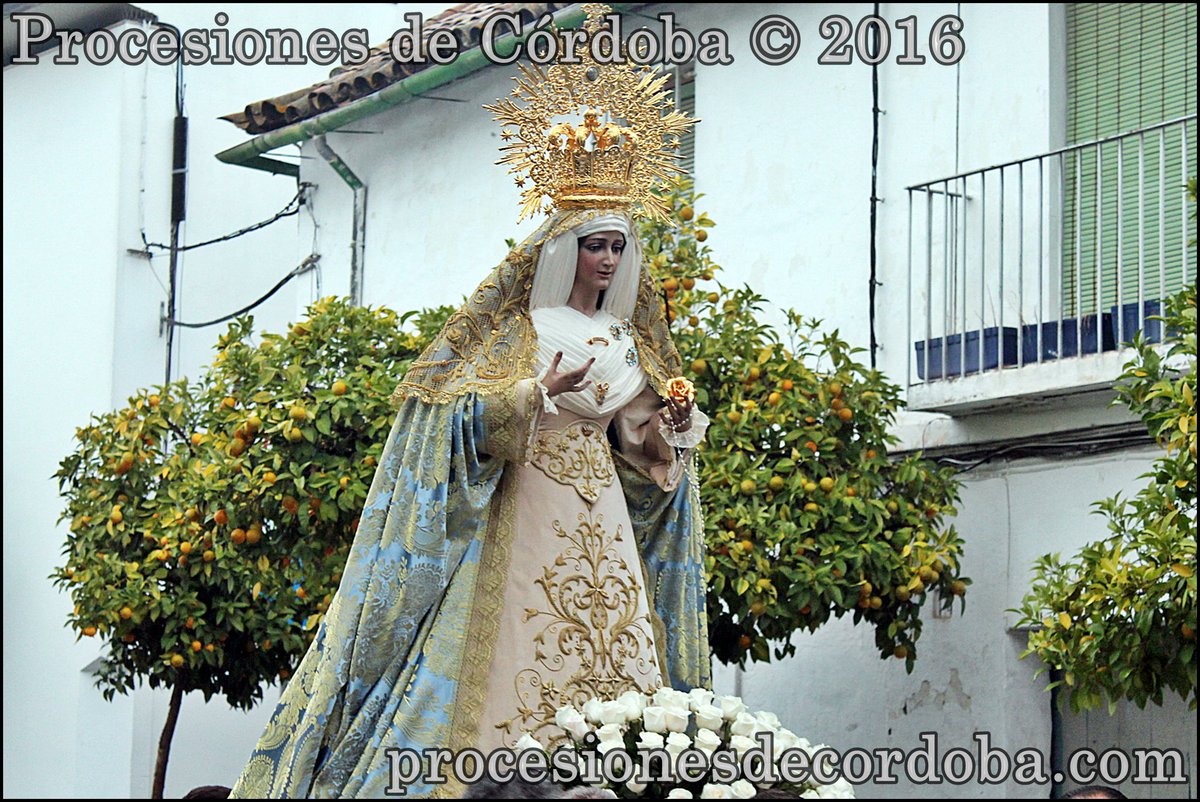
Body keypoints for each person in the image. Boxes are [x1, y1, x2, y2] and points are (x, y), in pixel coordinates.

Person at [229, 10, 708, 796]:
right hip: (529, 505)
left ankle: (621, 763)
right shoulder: (516, 330)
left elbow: (640, 442)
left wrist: (674, 430)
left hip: (603, 514)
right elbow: (446, 421)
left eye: (618, 245)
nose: (608, 258)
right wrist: (527, 397)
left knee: (615, 639)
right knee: (522, 639)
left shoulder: (626, 340)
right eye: (595, 243)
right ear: (564, 248)